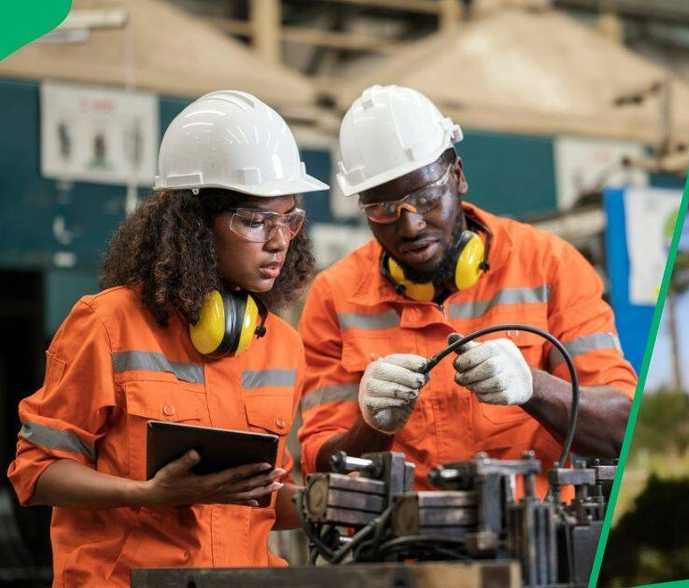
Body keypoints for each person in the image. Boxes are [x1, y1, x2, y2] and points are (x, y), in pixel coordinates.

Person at [6, 90, 328, 586]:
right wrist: (147, 495)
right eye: (254, 220)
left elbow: (259, 501)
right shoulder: (108, 323)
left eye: (289, 218)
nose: (279, 240)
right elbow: (35, 472)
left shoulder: (279, 344)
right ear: (194, 225)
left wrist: (329, 502)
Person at [297, 85, 636, 495]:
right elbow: (321, 469)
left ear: (457, 176)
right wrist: (372, 426)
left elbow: (622, 429)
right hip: (400, 546)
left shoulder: (550, 266)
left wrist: (533, 386)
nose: (410, 225)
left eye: (424, 198)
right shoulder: (335, 297)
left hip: (538, 540)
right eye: (383, 209)